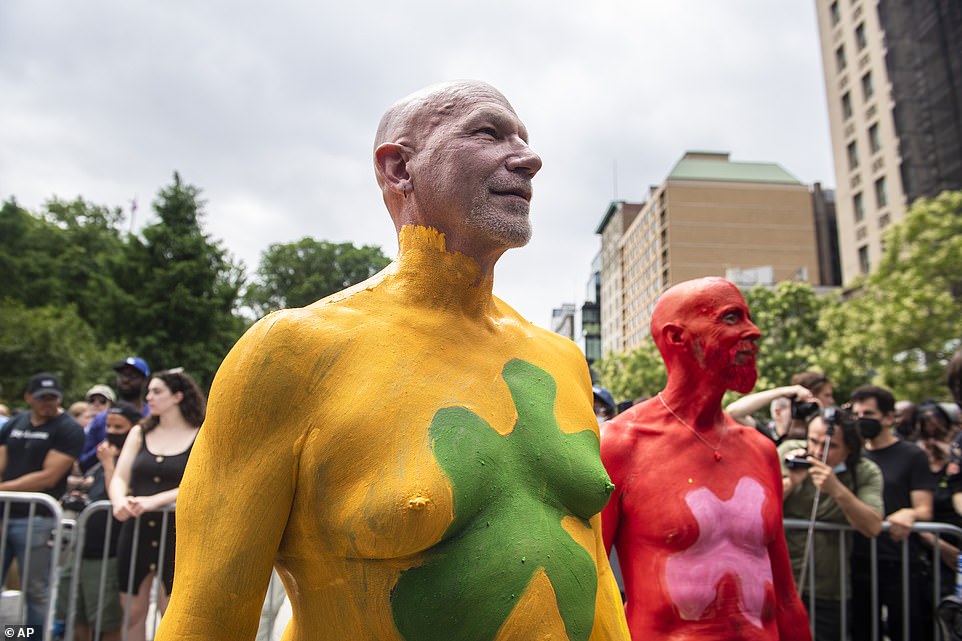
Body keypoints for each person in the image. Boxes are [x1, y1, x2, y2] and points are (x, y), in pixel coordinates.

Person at [154, 80, 629, 641]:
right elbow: (206, 618)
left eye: (524, 138)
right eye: (488, 133)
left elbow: (595, 575)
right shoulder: (291, 354)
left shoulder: (560, 361)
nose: (529, 158)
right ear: (399, 168)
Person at [600, 277, 810, 640]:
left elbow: (786, 595)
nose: (754, 331)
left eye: (747, 317)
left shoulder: (760, 450)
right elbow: (590, 587)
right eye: (731, 318)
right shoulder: (621, 445)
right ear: (677, 337)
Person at [109, 370, 204, 641]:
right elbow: (120, 476)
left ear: (178, 396)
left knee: (170, 614)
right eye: (149, 391)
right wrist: (119, 500)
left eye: (157, 391)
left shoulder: (201, 433)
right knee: (132, 613)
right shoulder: (140, 431)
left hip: (176, 534)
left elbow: (200, 483)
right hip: (136, 531)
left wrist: (155, 501)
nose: (149, 397)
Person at [779, 410, 883, 641]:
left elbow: (873, 527)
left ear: (850, 448)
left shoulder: (864, 471)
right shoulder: (790, 454)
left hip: (828, 589)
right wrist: (791, 482)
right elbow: (758, 507)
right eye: (813, 441)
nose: (818, 452)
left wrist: (837, 490)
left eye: (831, 446)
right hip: (781, 582)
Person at [849, 384, 935, 641]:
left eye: (868, 414)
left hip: (899, 560)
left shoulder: (912, 455)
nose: (861, 420)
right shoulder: (854, 456)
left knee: (906, 628)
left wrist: (910, 513)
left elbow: (925, 509)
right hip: (859, 558)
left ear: (888, 418)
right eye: (857, 414)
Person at [0, 373, 85, 625]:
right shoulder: (14, 424)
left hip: (38, 519)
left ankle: (33, 637)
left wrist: (2, 489)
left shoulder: (69, 429)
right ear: (28, 397)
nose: (48, 402)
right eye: (42, 398)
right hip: (4, 514)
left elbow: (49, 477)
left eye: (53, 397)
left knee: (36, 591)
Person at [56, 402, 142, 641]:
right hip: (82, 548)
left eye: (119, 427)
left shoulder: (131, 461)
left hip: (108, 553)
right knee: (76, 616)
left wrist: (108, 464)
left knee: (106, 621)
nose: (112, 432)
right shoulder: (101, 458)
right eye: (108, 426)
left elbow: (120, 495)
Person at [79, 358, 150, 473]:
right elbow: (83, 462)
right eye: (122, 375)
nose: (125, 380)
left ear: (144, 380)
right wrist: (105, 447)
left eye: (132, 376)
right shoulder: (101, 419)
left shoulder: (152, 416)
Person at [726, 383, 820, 444]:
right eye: (796, 409)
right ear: (778, 412)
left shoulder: (813, 441)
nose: (802, 414)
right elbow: (733, 412)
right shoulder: (766, 437)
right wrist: (782, 392)